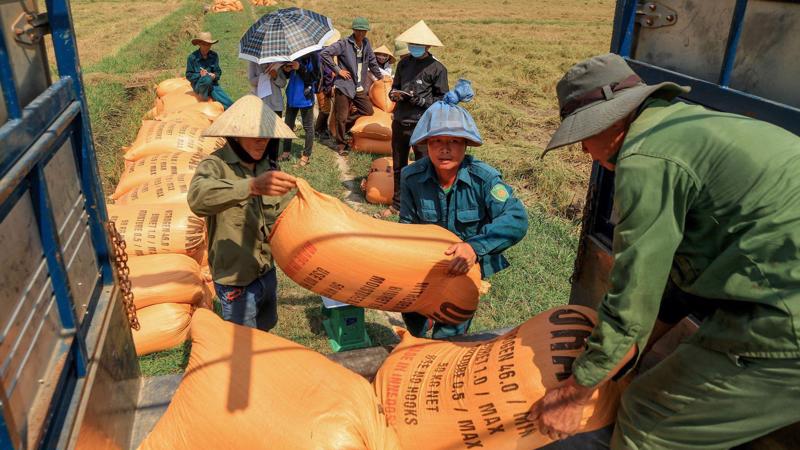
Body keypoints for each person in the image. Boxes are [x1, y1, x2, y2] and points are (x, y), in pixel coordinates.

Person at [530, 53, 800, 449]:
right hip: (777, 288)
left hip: (786, 320)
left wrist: (576, 392)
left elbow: (633, 293)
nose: (585, 152)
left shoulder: (645, 160)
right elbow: (675, 282)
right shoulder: (689, 125)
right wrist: (623, 363)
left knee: (648, 418)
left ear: (610, 121)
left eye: (582, 136)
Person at [399, 80, 528, 339]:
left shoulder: (484, 178)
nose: (445, 149)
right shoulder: (411, 177)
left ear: (466, 145)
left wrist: (473, 247)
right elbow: (407, 225)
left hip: (464, 270)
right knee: (415, 325)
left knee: (448, 338)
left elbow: (516, 218)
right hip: (422, 267)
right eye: (437, 141)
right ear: (426, 145)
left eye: (454, 141)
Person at [188, 95, 298, 331]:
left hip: (266, 271)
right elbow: (198, 199)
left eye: (266, 135)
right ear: (235, 134)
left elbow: (283, 213)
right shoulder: (214, 166)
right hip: (235, 280)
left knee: (266, 330)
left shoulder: (267, 168)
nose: (262, 142)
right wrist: (250, 187)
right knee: (243, 344)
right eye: (254, 135)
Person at [378, 20, 448, 218]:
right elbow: (395, 86)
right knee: (399, 165)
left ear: (427, 46)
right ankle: (397, 204)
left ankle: (421, 208)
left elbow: (442, 100)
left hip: (422, 125)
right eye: (412, 44)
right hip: (400, 121)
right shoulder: (404, 63)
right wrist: (394, 95)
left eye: (418, 45)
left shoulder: (437, 68)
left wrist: (419, 100)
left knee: (423, 166)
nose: (414, 48)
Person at [320, 17, 384, 156]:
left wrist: (381, 78)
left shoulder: (366, 44)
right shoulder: (343, 44)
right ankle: (341, 144)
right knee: (341, 116)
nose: (361, 34)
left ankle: (341, 129)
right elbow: (325, 54)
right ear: (354, 30)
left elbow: (372, 61)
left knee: (367, 110)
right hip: (344, 85)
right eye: (358, 31)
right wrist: (338, 70)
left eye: (364, 31)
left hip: (359, 87)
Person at [248, 61, 292, 165]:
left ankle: (273, 161)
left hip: (275, 103)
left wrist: (275, 76)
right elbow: (251, 81)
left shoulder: (276, 61)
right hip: (260, 102)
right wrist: (264, 76)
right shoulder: (253, 61)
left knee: (275, 134)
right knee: (261, 133)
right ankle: (260, 160)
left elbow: (282, 83)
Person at [281, 53, 321, 167]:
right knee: (288, 124)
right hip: (292, 95)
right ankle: (286, 152)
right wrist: (286, 70)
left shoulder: (314, 56)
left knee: (308, 127)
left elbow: (314, 77)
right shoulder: (294, 54)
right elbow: (289, 76)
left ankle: (306, 155)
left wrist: (300, 68)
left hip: (305, 97)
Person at [185, 32, 233, 109]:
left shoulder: (214, 56)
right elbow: (188, 75)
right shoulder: (192, 58)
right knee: (206, 79)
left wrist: (214, 76)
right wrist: (200, 75)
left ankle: (230, 107)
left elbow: (218, 71)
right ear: (199, 44)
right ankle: (203, 96)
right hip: (199, 84)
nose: (207, 47)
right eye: (205, 44)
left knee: (229, 103)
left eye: (209, 44)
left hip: (212, 84)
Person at [315, 29, 341, 145]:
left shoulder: (323, 52)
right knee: (325, 109)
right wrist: (328, 88)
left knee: (325, 108)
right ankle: (319, 130)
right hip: (322, 85)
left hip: (322, 84)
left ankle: (322, 129)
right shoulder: (325, 55)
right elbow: (327, 74)